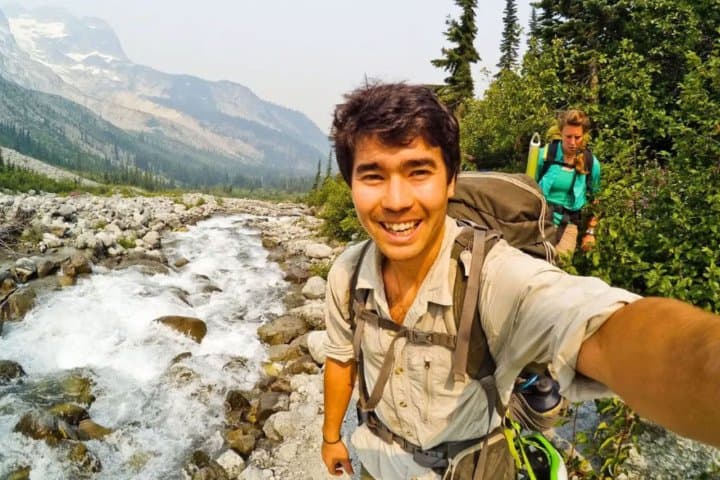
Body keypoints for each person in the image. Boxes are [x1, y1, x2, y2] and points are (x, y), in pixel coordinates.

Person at [321, 82, 720, 480]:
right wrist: (330, 437)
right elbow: (341, 358)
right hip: (376, 466)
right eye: (373, 176)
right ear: (351, 184)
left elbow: (592, 323)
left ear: (451, 180)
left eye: (418, 172)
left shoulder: (493, 276)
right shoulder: (348, 272)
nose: (395, 200)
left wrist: (702, 364)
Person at [535, 110, 600, 257]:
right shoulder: (544, 156)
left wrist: (590, 233)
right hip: (539, 218)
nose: (572, 142)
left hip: (568, 222)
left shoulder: (591, 163)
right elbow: (527, 189)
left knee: (559, 267)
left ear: (584, 136)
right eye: (568, 137)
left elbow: (595, 199)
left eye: (577, 137)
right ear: (560, 133)